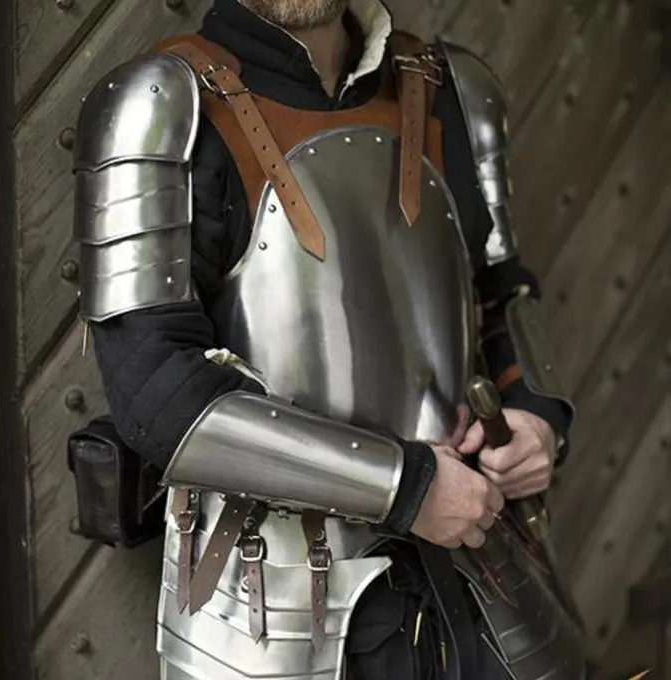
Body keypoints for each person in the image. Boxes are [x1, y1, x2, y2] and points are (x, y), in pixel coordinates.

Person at [72, 0, 585, 678]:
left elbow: (498, 291)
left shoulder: (453, 91)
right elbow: (159, 396)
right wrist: (408, 487)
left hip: (485, 575)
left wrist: (535, 416)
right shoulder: (161, 110)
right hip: (276, 604)